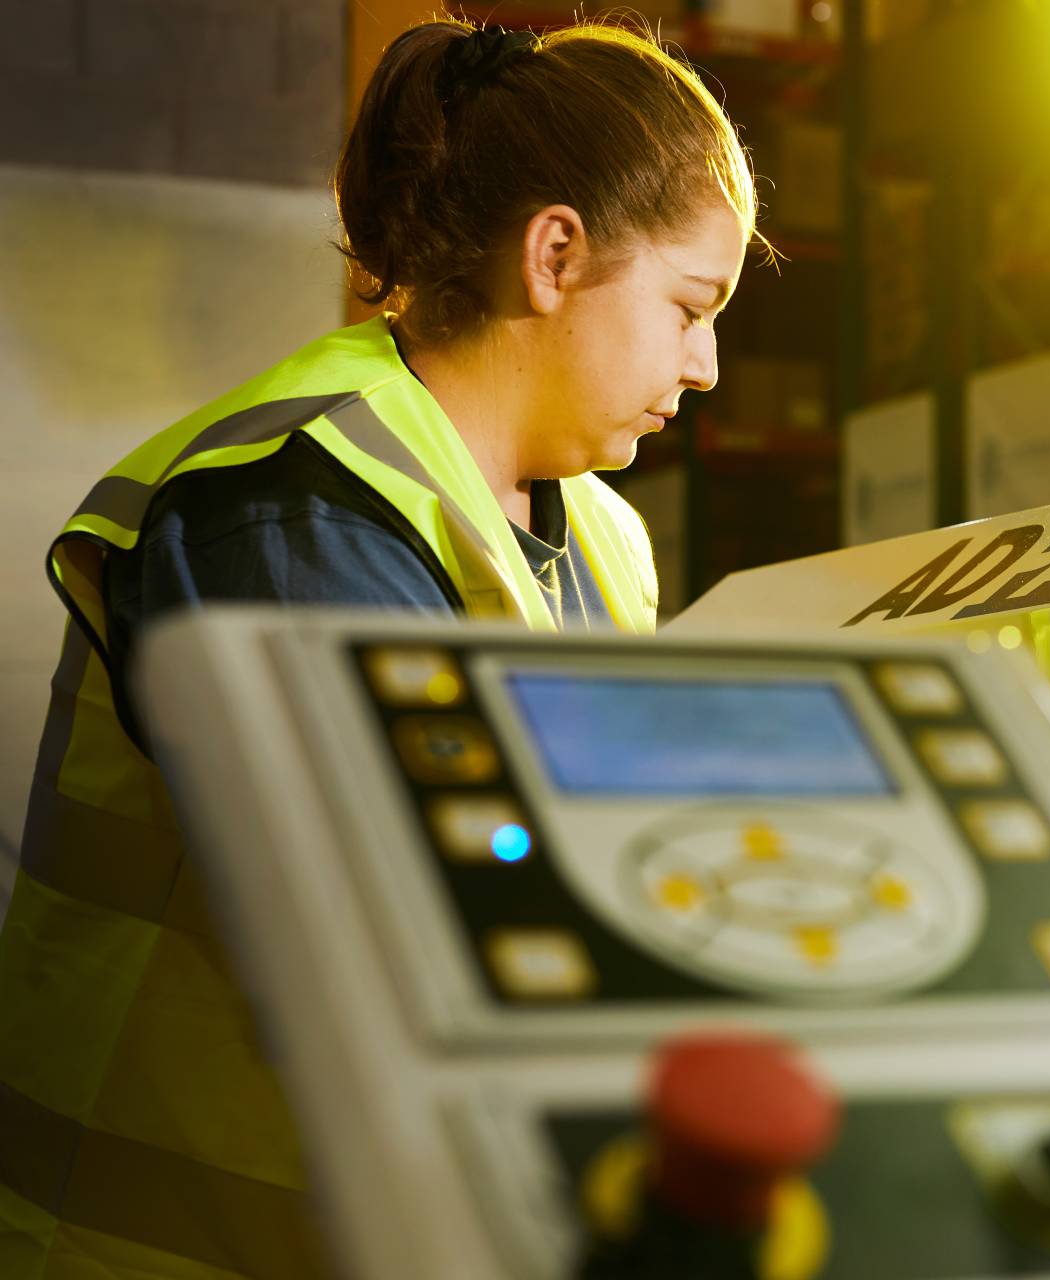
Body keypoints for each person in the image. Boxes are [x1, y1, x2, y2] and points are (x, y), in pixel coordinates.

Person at [0, 18, 755, 1277]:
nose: (710, 362)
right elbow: (412, 904)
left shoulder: (609, 541)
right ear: (556, 254)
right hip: (146, 1244)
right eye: (690, 305)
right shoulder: (293, 499)